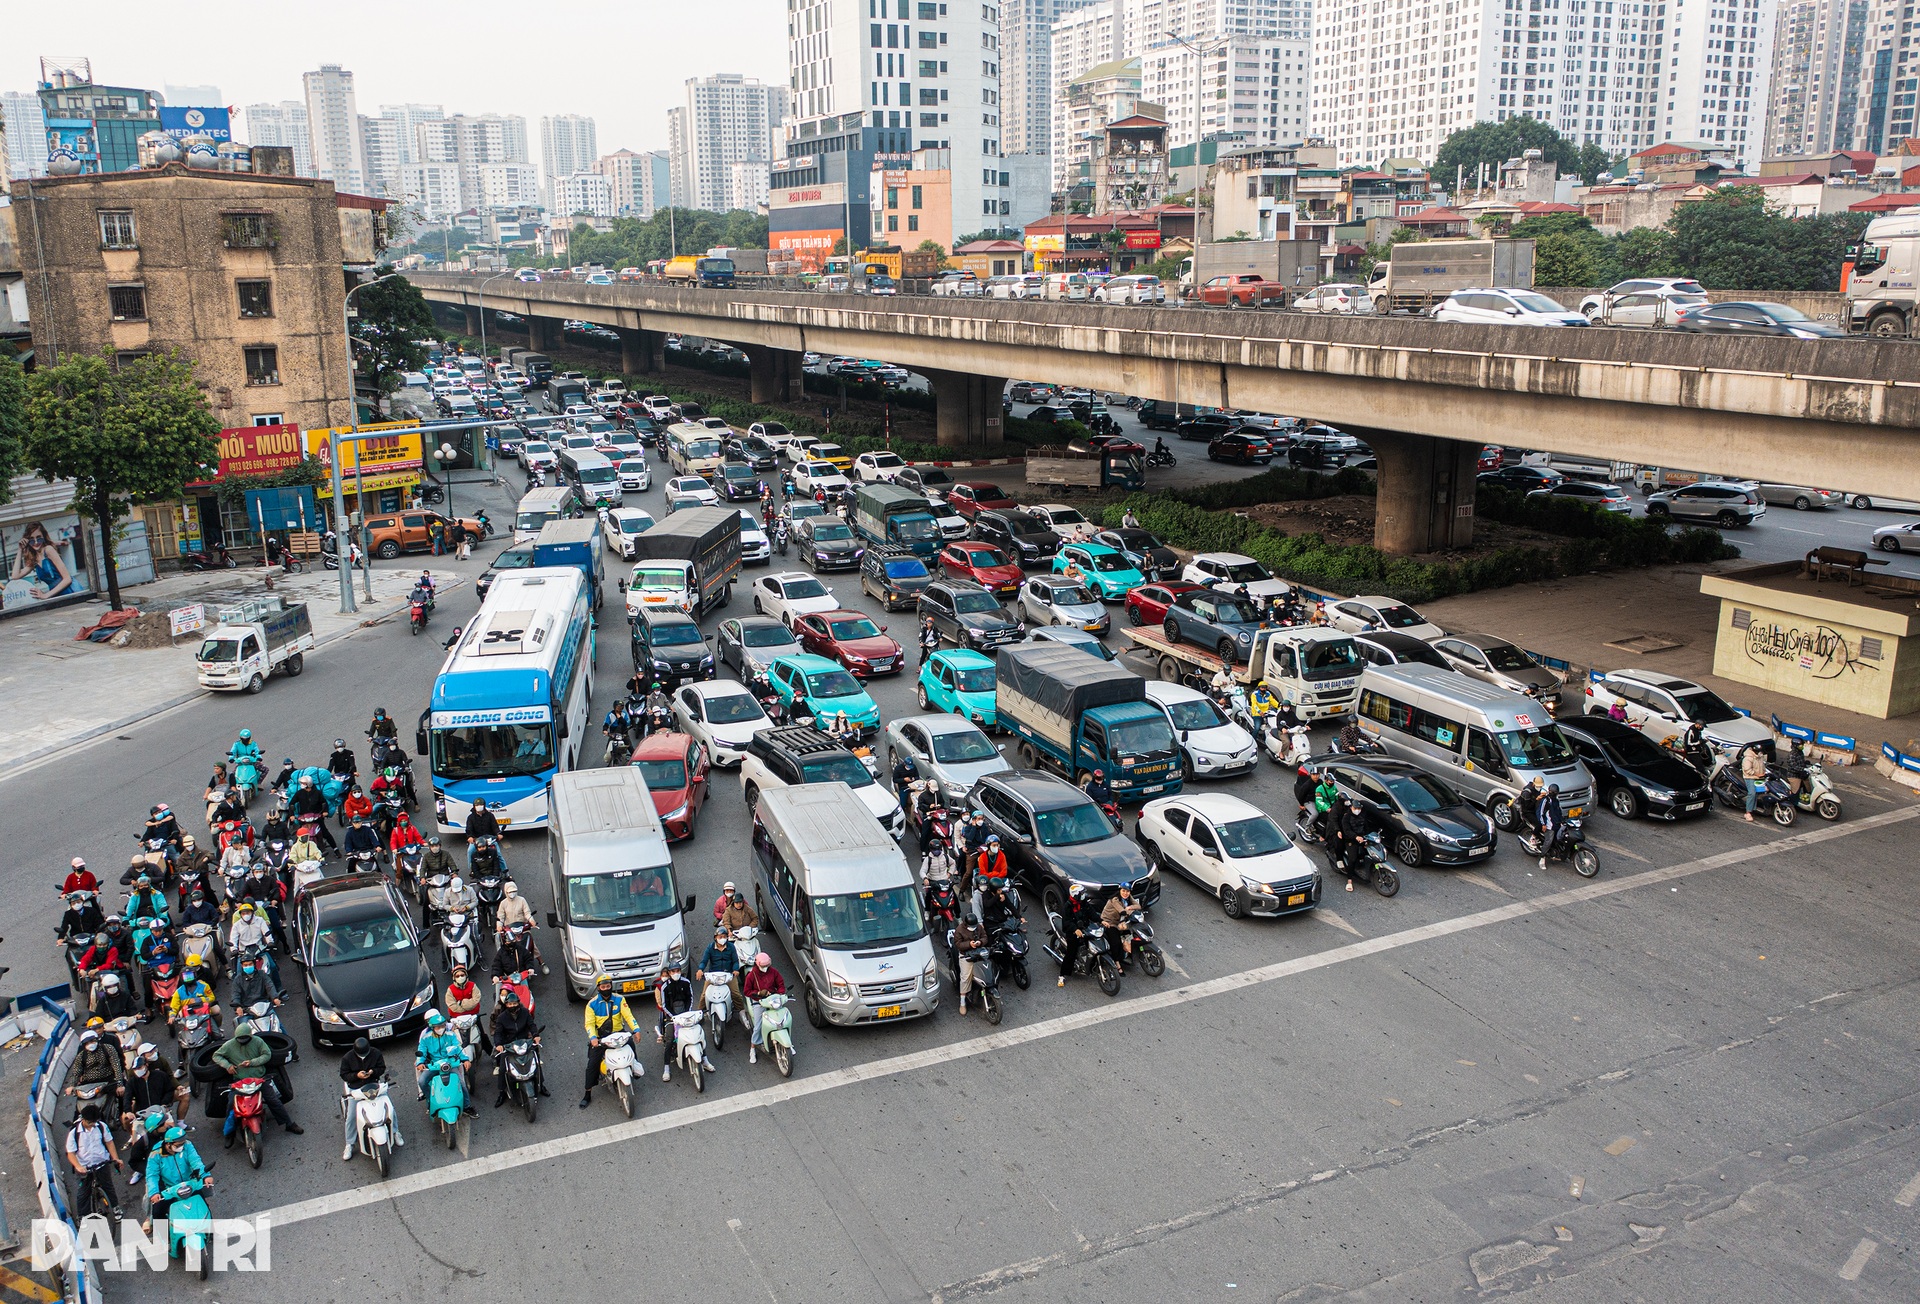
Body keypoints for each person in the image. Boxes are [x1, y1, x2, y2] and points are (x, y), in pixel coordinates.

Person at [212, 1021, 302, 1141]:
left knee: (273, 1100)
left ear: (251, 1035)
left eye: (246, 1038)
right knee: (230, 1105)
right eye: (240, 1039)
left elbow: (267, 1054)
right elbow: (216, 1056)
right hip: (240, 1081)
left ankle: (289, 1123)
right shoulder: (229, 1045)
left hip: (259, 1079)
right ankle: (230, 1132)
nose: (243, 1041)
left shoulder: (258, 1041)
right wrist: (227, 1065)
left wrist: (252, 1062)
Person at [581, 974, 643, 1107]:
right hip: (601, 1038)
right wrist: (593, 1038)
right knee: (592, 1064)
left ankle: (634, 1068)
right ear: (598, 988)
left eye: (608, 986)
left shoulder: (620, 999)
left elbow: (628, 1016)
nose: (606, 989)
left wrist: (636, 1029)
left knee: (631, 1045)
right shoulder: (592, 1004)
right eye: (603, 987)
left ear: (611, 986)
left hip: (619, 1034)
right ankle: (588, 1093)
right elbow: (589, 1024)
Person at [338, 1036, 395, 1159]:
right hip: (356, 1088)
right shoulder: (347, 1058)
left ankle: (395, 1131)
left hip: (373, 1085)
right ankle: (350, 1143)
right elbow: (344, 1075)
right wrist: (356, 1075)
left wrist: (372, 1072)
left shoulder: (376, 1053)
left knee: (390, 1109)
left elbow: (381, 1068)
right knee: (351, 1116)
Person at [65, 1104, 124, 1220]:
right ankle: (83, 1216)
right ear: (83, 1119)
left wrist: (115, 1158)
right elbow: (70, 1153)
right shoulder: (74, 1133)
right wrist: (78, 1166)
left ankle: (115, 1208)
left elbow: (109, 1142)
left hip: (101, 1163)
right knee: (83, 1192)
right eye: (89, 1122)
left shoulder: (101, 1127)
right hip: (84, 1166)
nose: (92, 1124)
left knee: (108, 1186)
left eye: (94, 1122)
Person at [489, 987, 545, 1105]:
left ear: (518, 1003)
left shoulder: (525, 1012)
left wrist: (535, 1035)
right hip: (508, 1045)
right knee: (503, 1068)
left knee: (536, 1060)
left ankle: (541, 1085)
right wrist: (499, 1044)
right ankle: (501, 1092)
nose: (512, 1006)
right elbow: (498, 1033)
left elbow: (531, 1024)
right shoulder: (501, 1017)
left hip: (524, 1042)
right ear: (506, 1005)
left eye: (514, 1003)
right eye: (510, 1004)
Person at [414, 1011, 471, 1112]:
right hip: (434, 1065)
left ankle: (467, 1106)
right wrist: (420, 1063)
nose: (440, 1029)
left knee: (461, 1083)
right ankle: (429, 1101)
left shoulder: (451, 1035)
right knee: (422, 1081)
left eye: (442, 1026)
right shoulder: (425, 1038)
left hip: (450, 1064)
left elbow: (458, 1047)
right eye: (438, 1027)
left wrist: (465, 1059)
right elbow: (421, 1050)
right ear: (432, 1027)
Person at [740, 953, 786, 1064]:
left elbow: (781, 984)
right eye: (763, 966)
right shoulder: (751, 975)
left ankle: (788, 1042)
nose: (765, 968)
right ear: (758, 964)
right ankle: (752, 1048)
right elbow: (746, 991)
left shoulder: (774, 972)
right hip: (759, 1002)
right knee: (758, 1026)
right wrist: (759, 993)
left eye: (767, 965)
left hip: (773, 999)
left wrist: (780, 993)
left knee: (783, 1018)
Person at [653, 962, 696, 1056]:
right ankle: (666, 1067)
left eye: (677, 971)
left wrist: (687, 1013)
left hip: (685, 1015)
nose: (675, 973)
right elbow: (664, 1005)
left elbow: (690, 998)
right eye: (673, 971)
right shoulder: (665, 987)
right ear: (670, 973)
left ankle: (704, 1060)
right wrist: (674, 1017)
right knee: (669, 1040)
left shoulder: (686, 983)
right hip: (671, 1017)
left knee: (696, 1034)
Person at [698, 925, 743, 1014]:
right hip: (713, 975)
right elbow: (704, 961)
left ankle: (742, 1012)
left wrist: (735, 970)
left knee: (736, 994)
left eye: (725, 937)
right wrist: (700, 969)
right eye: (720, 937)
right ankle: (699, 1013)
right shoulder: (710, 947)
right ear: (715, 938)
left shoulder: (731, 947)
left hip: (728, 975)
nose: (722, 939)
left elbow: (735, 961)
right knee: (704, 995)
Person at [1331, 795, 1372, 891]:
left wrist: (1368, 836)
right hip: (1350, 841)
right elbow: (1347, 831)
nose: (1357, 810)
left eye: (1359, 808)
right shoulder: (1346, 817)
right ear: (1351, 807)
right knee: (1352, 859)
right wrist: (1356, 837)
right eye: (1355, 808)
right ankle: (1349, 880)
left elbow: (1366, 827)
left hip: (1362, 839)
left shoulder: (1362, 816)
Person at [952, 912, 988, 1014]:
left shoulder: (979, 927)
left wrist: (980, 942)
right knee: (965, 977)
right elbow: (958, 944)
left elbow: (985, 937)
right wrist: (969, 944)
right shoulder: (959, 930)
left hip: (979, 953)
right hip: (966, 955)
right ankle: (962, 1002)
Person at [1056, 885, 1093, 986]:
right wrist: (1075, 929)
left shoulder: (1083, 903)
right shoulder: (1067, 906)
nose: (1083, 895)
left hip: (1085, 928)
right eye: (1081, 893)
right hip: (1072, 932)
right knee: (1071, 953)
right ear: (1075, 895)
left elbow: (1091, 912)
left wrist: (1101, 920)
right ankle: (1062, 976)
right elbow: (1067, 921)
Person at [972, 835, 1009, 921]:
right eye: (994, 845)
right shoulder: (982, 858)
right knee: (978, 896)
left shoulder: (1001, 855)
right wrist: (996, 873)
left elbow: (1004, 872)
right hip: (985, 881)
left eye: (997, 845)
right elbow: (983, 873)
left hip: (998, 881)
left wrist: (995, 878)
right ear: (989, 846)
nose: (996, 847)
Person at [1100, 885, 1138, 964]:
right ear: (1119, 891)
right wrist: (1127, 911)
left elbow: (1138, 906)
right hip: (1109, 922)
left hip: (1120, 921)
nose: (1125, 893)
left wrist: (1129, 907)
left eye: (1127, 891)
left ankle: (1127, 953)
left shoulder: (1128, 897)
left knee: (1130, 936)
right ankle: (1117, 963)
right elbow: (1122, 911)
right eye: (1123, 891)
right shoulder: (1115, 899)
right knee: (1116, 942)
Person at [1739, 745, 1769, 823]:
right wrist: (1756, 775)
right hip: (1750, 777)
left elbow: (1763, 766)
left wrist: (1764, 773)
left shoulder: (1760, 756)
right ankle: (1748, 812)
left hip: (1759, 777)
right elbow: (1747, 770)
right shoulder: (1748, 758)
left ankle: (1755, 807)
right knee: (1752, 793)